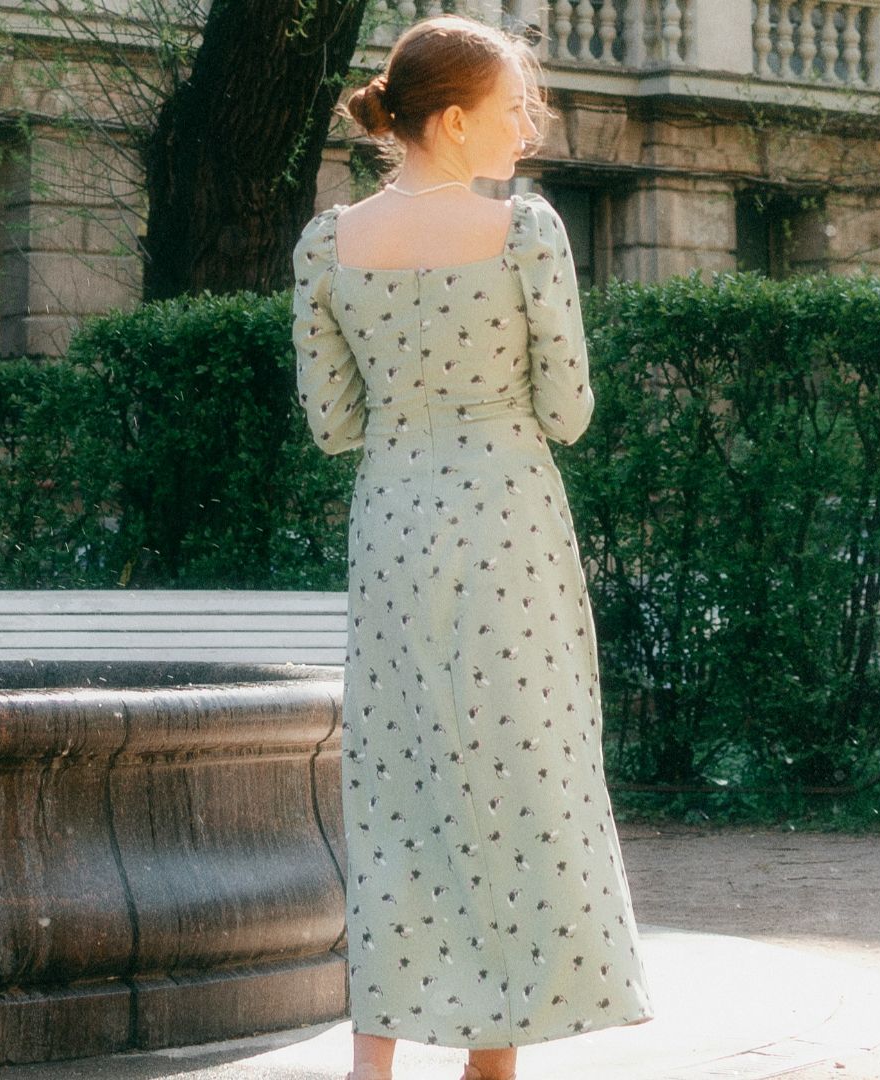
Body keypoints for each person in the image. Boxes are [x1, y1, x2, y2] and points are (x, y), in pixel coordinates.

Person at [290, 13, 654, 1080]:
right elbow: (572, 409)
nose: (528, 129)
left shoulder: (328, 243)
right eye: (512, 110)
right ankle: (494, 1055)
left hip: (395, 518)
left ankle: (375, 1059)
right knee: (520, 771)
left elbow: (333, 425)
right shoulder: (527, 232)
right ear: (450, 123)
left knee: (400, 780)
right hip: (505, 519)